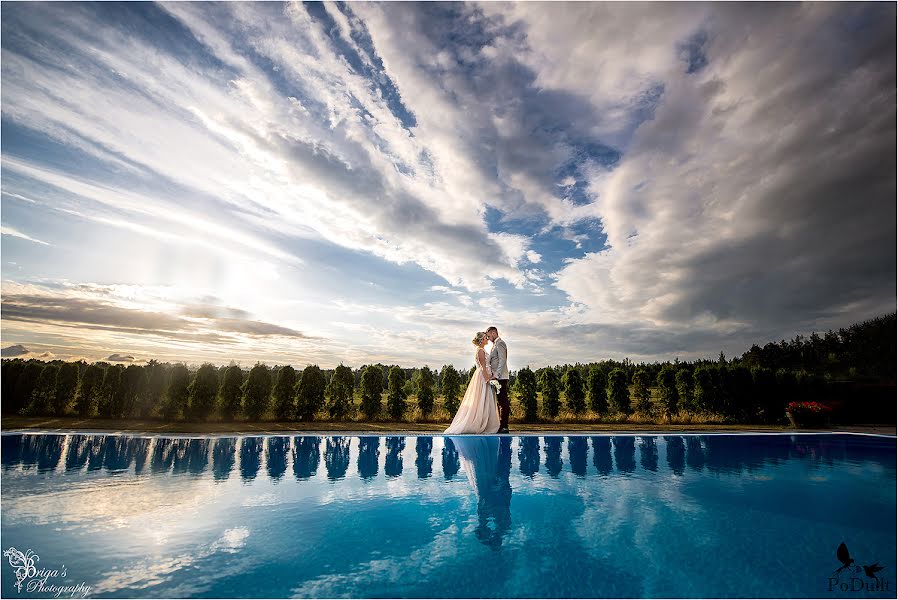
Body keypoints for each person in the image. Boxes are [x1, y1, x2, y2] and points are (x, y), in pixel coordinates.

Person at [443, 332, 501, 434]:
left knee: (485, 400)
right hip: (483, 377)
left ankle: (485, 422)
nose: (487, 338)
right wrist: (487, 379)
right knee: (481, 399)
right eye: (485, 337)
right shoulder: (480, 351)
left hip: (485, 375)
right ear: (482, 340)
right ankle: (478, 423)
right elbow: (483, 367)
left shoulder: (482, 350)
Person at [485, 326, 510, 434]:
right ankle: (499, 425)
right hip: (495, 377)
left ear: (494, 333)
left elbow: (503, 360)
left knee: (503, 402)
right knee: (499, 402)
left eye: (489, 335)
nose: (488, 338)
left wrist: (496, 375)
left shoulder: (500, 343)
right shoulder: (494, 345)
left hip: (501, 377)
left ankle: (504, 426)